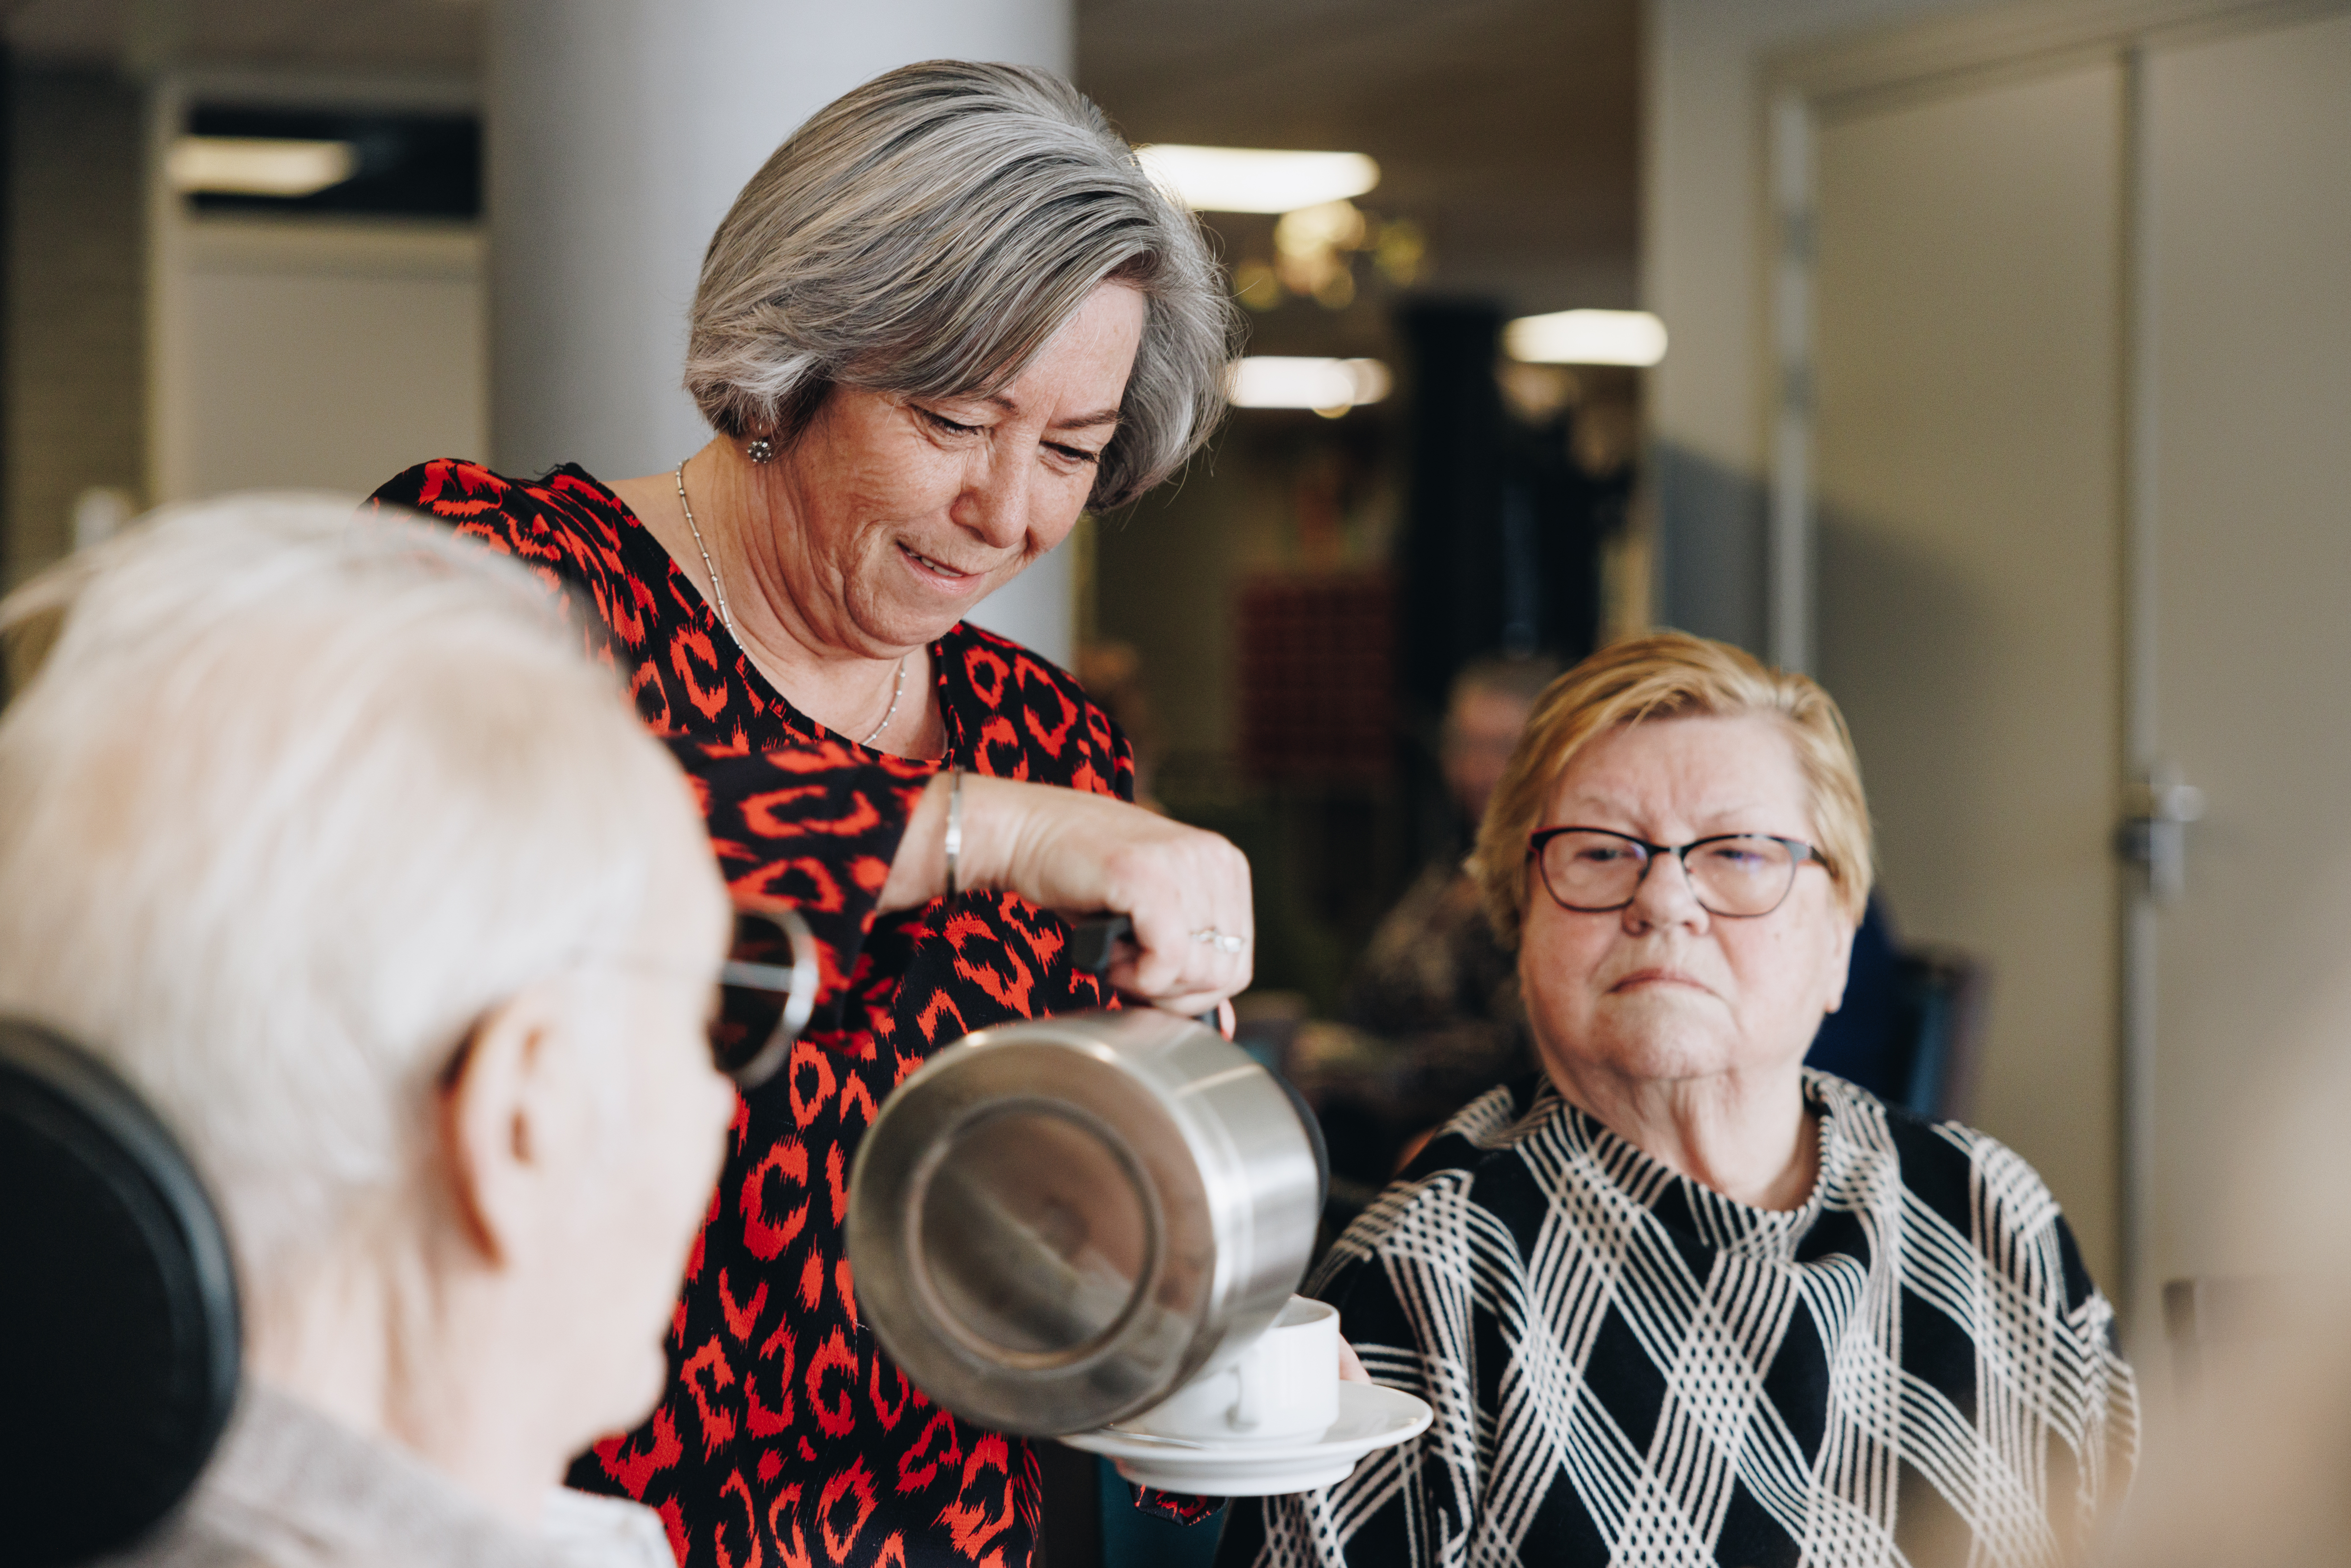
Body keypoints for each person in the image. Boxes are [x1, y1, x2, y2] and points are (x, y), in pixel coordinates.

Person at [368, 60, 1250, 1568]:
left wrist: (1171, 1205)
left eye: (1071, 448)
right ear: (798, 362)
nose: (1010, 512)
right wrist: (988, 833)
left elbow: (1062, 1235)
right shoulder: (494, 569)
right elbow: (549, 831)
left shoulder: (1048, 733)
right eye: (957, 416)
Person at [1221, 631, 2136, 1568]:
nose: (1664, 898)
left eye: (1739, 853)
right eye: (1602, 851)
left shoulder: (1993, 1215)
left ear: (1838, 941)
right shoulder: (1426, 1279)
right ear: (1518, 922)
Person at [1338, 656, 1559, 1149]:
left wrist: (1377, 1070)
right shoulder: (1451, 864)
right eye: (1465, 745)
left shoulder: (1553, 882)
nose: (1479, 770)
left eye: (1503, 747)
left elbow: (1522, 1048)